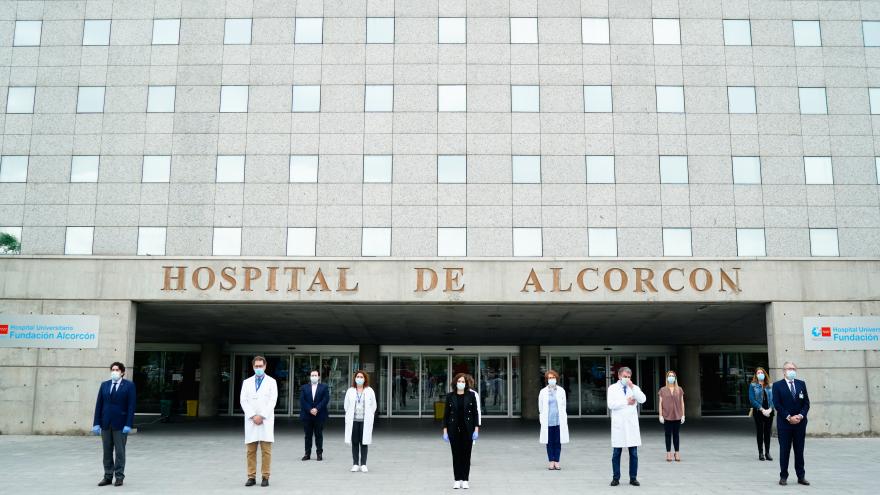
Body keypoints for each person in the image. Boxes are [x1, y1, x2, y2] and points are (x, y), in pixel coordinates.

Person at [92, 362, 137, 487]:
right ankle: (107, 476)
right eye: (113, 369)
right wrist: (96, 423)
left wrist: (128, 424)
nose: (114, 371)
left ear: (122, 372)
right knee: (107, 452)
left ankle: (119, 477)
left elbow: (131, 406)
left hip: (121, 424)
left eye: (117, 370)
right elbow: (99, 405)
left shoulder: (129, 386)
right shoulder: (104, 385)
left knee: (120, 452)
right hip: (106, 424)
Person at [240, 356, 278, 487]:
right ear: (253, 367)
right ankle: (251, 476)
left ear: (265, 366)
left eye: (260, 366)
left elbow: (273, 401)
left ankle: (265, 476)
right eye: (256, 366)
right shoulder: (246, 382)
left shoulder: (272, 382)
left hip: (265, 421)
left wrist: (261, 416)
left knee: (266, 451)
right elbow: (243, 400)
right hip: (251, 421)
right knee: (250, 451)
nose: (258, 368)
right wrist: (252, 415)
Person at [772, 361, 810, 486]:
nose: (791, 370)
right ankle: (783, 476)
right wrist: (789, 417)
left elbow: (806, 403)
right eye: (789, 368)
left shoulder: (801, 384)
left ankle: (801, 476)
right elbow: (777, 404)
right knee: (785, 451)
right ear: (784, 371)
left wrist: (800, 416)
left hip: (800, 423)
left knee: (799, 451)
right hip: (785, 424)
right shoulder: (777, 385)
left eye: (793, 368)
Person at [607, 366, 646, 487]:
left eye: (629, 377)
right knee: (616, 453)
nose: (627, 379)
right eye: (625, 377)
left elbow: (642, 399)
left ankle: (633, 478)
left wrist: (633, 387)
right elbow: (611, 405)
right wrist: (626, 402)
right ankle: (616, 478)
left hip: (631, 425)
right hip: (619, 425)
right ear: (619, 376)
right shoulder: (612, 388)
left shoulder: (634, 388)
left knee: (633, 454)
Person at [443, 373, 480, 490]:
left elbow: (475, 413)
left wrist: (476, 429)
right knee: (456, 455)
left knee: (466, 455)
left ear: (466, 383)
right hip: (453, 430)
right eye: (459, 381)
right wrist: (445, 432)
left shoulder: (471, 396)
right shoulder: (450, 396)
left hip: (467, 430)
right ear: (455, 383)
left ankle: (465, 480)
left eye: (463, 382)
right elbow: (446, 415)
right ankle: (457, 480)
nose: (461, 383)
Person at [344, 370, 377, 473]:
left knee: (364, 442)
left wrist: (370, 415)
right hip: (353, 421)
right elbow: (346, 405)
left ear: (365, 379)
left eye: (361, 377)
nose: (359, 378)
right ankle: (355, 464)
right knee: (354, 442)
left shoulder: (369, 390)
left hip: (365, 421)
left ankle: (363, 464)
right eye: (357, 376)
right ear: (355, 378)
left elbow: (373, 406)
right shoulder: (350, 391)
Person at [538, 369, 569, 470]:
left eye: (553, 377)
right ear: (547, 379)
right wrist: (542, 419)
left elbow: (564, 406)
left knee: (558, 441)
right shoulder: (543, 392)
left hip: (559, 421)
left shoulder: (561, 391)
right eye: (550, 378)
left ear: (556, 378)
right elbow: (541, 407)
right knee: (549, 442)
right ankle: (551, 461)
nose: (552, 379)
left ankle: (557, 461)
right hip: (548, 421)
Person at [300, 369, 329, 460]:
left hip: (319, 415)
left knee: (318, 435)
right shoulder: (304, 387)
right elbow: (302, 400)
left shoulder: (324, 387)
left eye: (315, 375)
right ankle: (307, 454)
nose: (314, 377)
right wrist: (310, 409)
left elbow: (325, 399)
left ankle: (319, 454)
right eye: (312, 375)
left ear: (319, 377)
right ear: (310, 377)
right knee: (307, 436)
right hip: (307, 415)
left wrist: (317, 409)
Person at [657, 370, 685, 462]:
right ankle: (668, 453)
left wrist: (683, 415)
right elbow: (660, 403)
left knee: (676, 435)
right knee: (668, 435)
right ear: (667, 378)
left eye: (673, 376)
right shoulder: (662, 390)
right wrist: (660, 415)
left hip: (677, 415)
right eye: (669, 376)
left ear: (675, 378)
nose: (671, 377)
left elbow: (682, 403)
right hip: (667, 416)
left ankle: (677, 453)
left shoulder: (679, 389)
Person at [748, 367, 774, 461]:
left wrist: (770, 409)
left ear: (765, 373)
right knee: (760, 432)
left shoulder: (770, 385)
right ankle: (761, 453)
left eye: (761, 372)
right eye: (758, 373)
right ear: (756, 375)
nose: (760, 374)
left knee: (767, 432)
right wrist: (762, 409)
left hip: (769, 412)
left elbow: (774, 398)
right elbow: (752, 399)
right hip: (759, 412)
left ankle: (767, 452)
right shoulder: (753, 385)